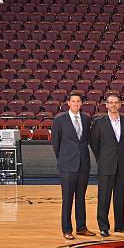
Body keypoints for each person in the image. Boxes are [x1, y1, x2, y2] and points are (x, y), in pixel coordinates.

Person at [90, 92, 124, 237]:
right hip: (106, 164)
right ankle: (103, 226)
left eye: (116, 102)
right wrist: (102, 159)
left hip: (121, 164)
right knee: (104, 197)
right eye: (111, 102)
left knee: (120, 197)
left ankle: (120, 225)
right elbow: (94, 145)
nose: (114, 105)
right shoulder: (98, 122)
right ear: (106, 105)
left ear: (120, 104)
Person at [51, 91, 95, 240]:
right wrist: (63, 160)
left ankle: (81, 227)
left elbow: (86, 140)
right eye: (73, 101)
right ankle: (67, 229)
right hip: (67, 165)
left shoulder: (86, 118)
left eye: (78, 101)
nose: (76, 104)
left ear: (81, 104)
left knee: (81, 197)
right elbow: (55, 144)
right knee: (67, 198)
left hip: (83, 164)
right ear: (68, 103)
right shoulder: (59, 120)